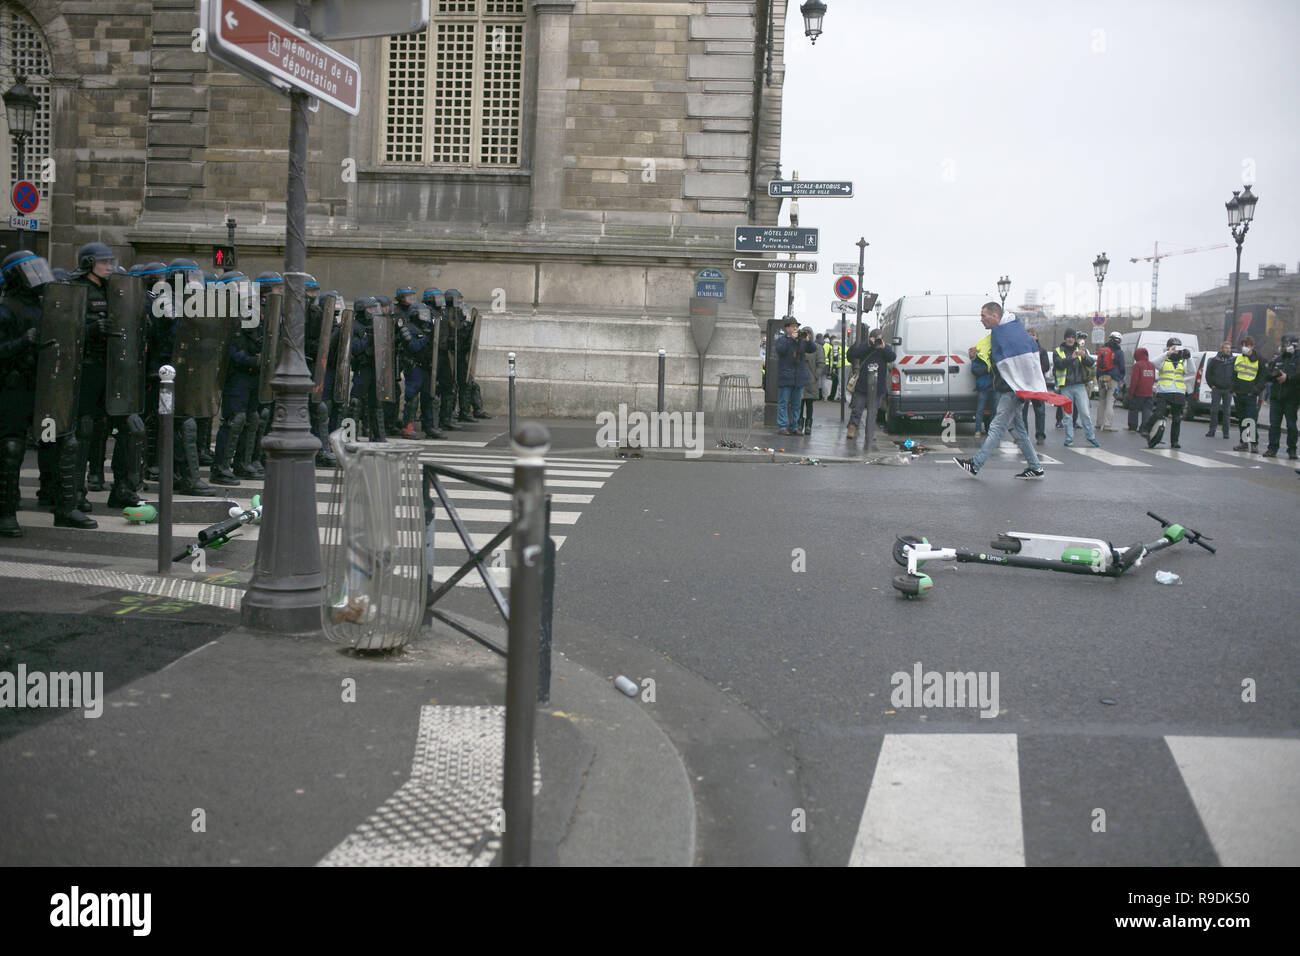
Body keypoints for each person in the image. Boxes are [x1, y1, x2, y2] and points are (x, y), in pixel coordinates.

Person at [952, 302, 1045, 479]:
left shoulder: (1007, 334)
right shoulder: (1005, 332)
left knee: (996, 427)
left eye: (983, 316)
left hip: (1011, 389)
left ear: (995, 316)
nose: (981, 320)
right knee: (1018, 431)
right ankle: (1035, 466)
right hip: (1011, 388)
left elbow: (1017, 360)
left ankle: (975, 464)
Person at [845, 328, 896, 441]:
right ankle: (852, 428)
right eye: (876, 339)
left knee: (873, 412)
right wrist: (868, 345)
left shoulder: (884, 347)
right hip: (862, 385)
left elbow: (892, 357)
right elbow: (854, 354)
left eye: (880, 339)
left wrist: (883, 347)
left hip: (877, 386)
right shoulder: (865, 345)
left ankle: (870, 433)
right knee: (857, 408)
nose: (878, 341)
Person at [1052, 329, 1100, 447]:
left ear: (1075, 338)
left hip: (1079, 385)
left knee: (1085, 413)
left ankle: (1090, 437)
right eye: (1068, 337)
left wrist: (1084, 356)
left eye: (1072, 337)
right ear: (1065, 338)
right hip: (1065, 386)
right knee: (1067, 415)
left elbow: (1091, 363)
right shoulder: (1058, 351)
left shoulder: (1080, 349)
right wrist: (1072, 357)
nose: (1070, 339)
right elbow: (1059, 364)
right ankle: (1069, 438)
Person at [1141, 337, 1191, 448]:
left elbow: (1191, 371)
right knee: (1159, 413)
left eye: (1178, 346)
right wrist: (1168, 353)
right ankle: (1145, 429)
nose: (1176, 349)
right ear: (1168, 347)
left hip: (1179, 393)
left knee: (1177, 419)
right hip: (1164, 392)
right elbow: (1153, 363)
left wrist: (1189, 358)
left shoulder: (1183, 360)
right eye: (1173, 346)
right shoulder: (1164, 359)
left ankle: (1174, 442)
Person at [1262, 333, 1299, 459]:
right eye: (1283, 343)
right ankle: (1272, 449)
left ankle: (1292, 449)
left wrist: (1287, 378)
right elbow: (1267, 374)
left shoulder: (1298, 359)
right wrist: (1275, 374)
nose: (1284, 346)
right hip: (1277, 397)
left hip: (1292, 398)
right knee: (1274, 425)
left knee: (1291, 425)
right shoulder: (1279, 359)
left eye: (1287, 344)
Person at [773, 316, 811, 436]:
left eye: (797, 326)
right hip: (786, 377)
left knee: (796, 404)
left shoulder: (801, 341)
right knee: (783, 403)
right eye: (793, 326)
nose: (796, 328)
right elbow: (781, 350)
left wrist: (808, 340)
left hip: (798, 378)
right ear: (787, 328)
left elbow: (813, 349)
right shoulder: (782, 340)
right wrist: (791, 339)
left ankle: (794, 426)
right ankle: (782, 426)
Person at [1232, 336, 1264, 452]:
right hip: (1239, 393)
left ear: (1252, 346)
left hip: (1250, 394)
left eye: (1246, 345)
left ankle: (1254, 444)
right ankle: (1244, 442)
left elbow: (1262, 378)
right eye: (1243, 345)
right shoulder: (1238, 358)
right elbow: (1233, 375)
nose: (1244, 348)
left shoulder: (1259, 359)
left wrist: (1255, 391)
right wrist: (1233, 390)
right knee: (1242, 419)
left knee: (1251, 419)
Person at [1018, 328, 1050, 443]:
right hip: (1025, 384)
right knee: (1023, 411)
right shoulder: (1021, 351)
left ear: (1037, 337)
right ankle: (1024, 435)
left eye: (1033, 335)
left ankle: (1040, 435)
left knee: (1040, 411)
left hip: (1037, 384)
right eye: (1028, 335)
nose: (1031, 337)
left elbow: (1046, 367)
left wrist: (1034, 370)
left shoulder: (1042, 351)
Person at [1094, 330, 1125, 431]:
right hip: (1113, 379)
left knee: (1101, 400)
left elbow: (1098, 365)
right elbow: (1122, 367)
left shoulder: (1102, 350)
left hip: (1102, 378)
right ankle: (1107, 425)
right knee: (1110, 401)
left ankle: (1098, 423)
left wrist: (1098, 376)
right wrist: (1121, 378)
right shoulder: (1119, 352)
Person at [1204, 341, 1235, 439]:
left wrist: (1233, 387)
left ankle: (1226, 432)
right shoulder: (1215, 360)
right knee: (1214, 411)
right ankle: (1212, 430)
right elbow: (1208, 373)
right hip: (1216, 389)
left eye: (1229, 348)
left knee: (1227, 412)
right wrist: (1211, 385)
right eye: (1226, 348)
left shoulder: (1233, 361)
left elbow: (1236, 375)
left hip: (1228, 390)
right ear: (1222, 349)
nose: (1227, 350)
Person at [797, 327, 824, 435]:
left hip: (811, 380)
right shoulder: (798, 345)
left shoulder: (817, 347)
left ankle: (808, 424)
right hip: (799, 379)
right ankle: (799, 423)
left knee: (809, 404)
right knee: (799, 403)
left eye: (808, 333)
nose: (806, 335)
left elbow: (821, 363)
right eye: (805, 333)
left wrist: (816, 375)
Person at [1127, 347, 1157, 433]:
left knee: (1134, 409)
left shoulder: (1137, 365)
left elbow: (1134, 380)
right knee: (1147, 410)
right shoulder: (1151, 365)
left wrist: (1131, 393)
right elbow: (1153, 378)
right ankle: (1144, 427)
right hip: (1149, 392)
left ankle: (1133, 426)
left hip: (1138, 392)